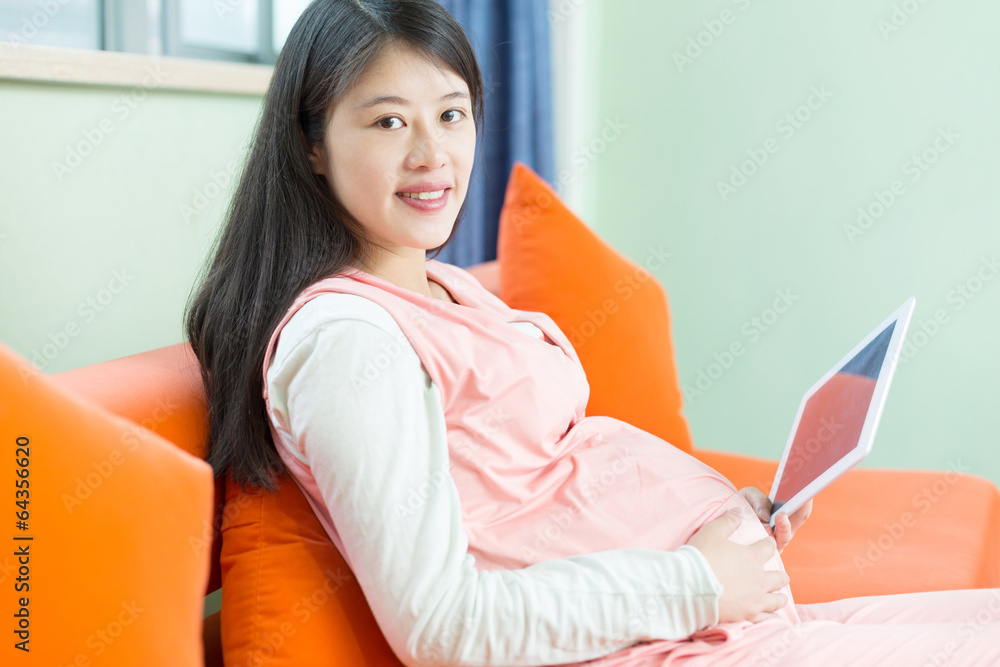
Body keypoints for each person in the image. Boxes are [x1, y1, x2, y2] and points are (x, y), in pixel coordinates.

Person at [184, 1, 1000, 665]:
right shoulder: (347, 344)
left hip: (706, 618)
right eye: (389, 123)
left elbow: (540, 487)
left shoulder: (439, 285)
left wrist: (719, 520)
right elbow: (442, 625)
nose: (433, 154)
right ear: (312, 145)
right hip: (665, 639)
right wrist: (697, 580)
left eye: (452, 113)